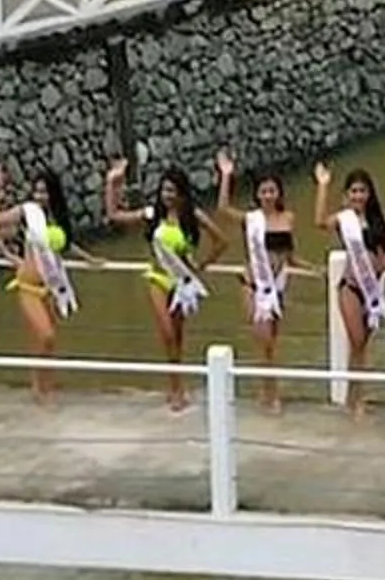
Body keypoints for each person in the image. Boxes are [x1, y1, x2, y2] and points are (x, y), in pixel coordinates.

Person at [107, 161, 214, 413]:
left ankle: (176, 385)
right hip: (158, 278)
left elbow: (221, 240)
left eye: (172, 190)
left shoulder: (192, 217)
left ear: (182, 193)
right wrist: (112, 183)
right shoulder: (152, 214)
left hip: (181, 282)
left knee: (177, 336)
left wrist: (202, 264)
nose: (168, 195)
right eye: (165, 190)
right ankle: (175, 387)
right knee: (167, 333)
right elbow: (115, 215)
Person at [214, 151, 300, 413]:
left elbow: (290, 256)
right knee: (265, 343)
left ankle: (268, 390)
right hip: (255, 285)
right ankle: (270, 393)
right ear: (257, 195)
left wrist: (314, 269)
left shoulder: (288, 218)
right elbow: (223, 209)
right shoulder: (250, 219)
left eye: (272, 190)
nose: (268, 195)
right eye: (263, 191)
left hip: (278, 287)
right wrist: (226, 176)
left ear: (279, 193)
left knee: (273, 342)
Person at [315, 162, 385, 418]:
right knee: (356, 340)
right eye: (354, 191)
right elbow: (319, 222)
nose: (358, 196)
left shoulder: (379, 220)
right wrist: (323, 186)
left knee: (361, 347)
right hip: (351, 287)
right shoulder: (344, 219)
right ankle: (356, 398)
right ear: (347, 194)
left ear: (369, 193)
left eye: (362, 191)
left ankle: (355, 396)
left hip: (373, 290)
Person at [6, 167, 78, 401]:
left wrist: (90, 259)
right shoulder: (28, 212)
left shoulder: (57, 217)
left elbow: (66, 245)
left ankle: (46, 383)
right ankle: (37, 385)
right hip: (28, 286)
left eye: (44, 192)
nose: (40, 197)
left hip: (50, 286)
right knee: (46, 335)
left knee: (45, 340)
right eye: (36, 191)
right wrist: (7, 254)